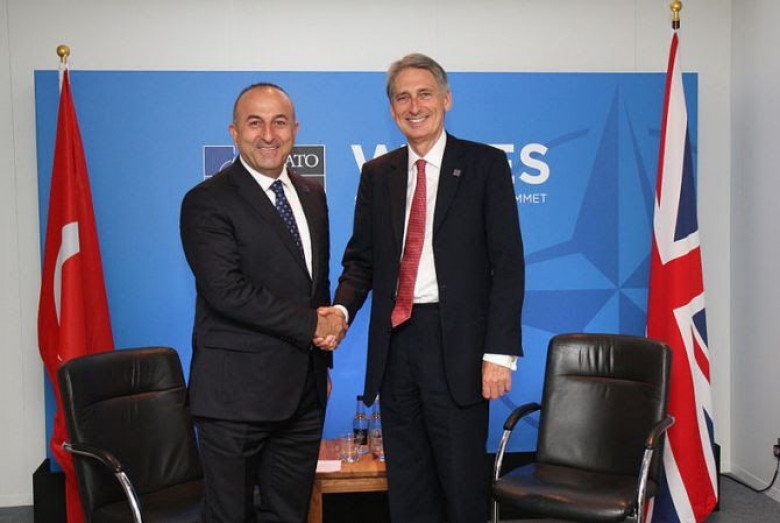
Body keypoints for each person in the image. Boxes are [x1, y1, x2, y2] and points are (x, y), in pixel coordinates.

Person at [323, 53, 525, 523]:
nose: (414, 106)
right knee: (409, 487)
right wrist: (340, 311)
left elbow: (508, 264)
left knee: (461, 485)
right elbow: (361, 260)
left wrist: (499, 354)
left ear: (446, 99)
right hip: (396, 344)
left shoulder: (485, 165)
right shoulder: (378, 174)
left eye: (424, 94)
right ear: (392, 109)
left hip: (459, 347)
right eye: (402, 97)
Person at [180, 82, 346, 523]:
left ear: (296, 130)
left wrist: (321, 362)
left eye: (279, 122)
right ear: (234, 133)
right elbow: (226, 291)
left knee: (288, 514)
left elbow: (316, 286)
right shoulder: (206, 201)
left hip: (303, 396)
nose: (268, 135)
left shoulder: (311, 195)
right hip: (234, 400)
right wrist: (313, 326)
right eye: (255, 123)